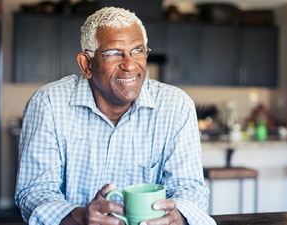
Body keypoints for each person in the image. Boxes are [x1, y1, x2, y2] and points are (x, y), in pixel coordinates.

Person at [15, 7, 216, 225]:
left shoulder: (176, 106)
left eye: (138, 50)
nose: (130, 65)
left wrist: (179, 215)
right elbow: (34, 193)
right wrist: (79, 217)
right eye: (114, 53)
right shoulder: (49, 104)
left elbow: (190, 189)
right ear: (87, 64)